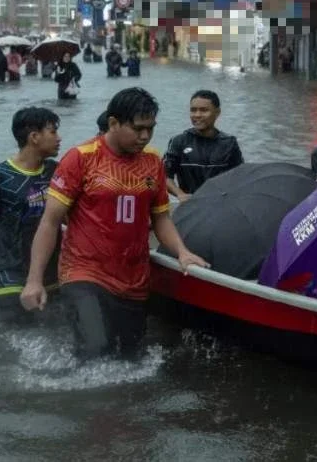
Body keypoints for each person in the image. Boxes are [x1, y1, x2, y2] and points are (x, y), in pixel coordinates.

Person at [20, 88, 209, 360]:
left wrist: (182, 252)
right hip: (84, 273)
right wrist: (34, 280)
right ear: (113, 123)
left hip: (133, 280)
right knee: (95, 349)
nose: (144, 136)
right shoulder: (80, 158)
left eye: (151, 129)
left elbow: (161, 218)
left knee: (131, 359)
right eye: (138, 129)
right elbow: (49, 223)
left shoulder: (153, 162)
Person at [0, 107, 63, 323]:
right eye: (53, 132)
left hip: (51, 275)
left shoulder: (57, 172)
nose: (59, 138)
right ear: (34, 137)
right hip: (9, 277)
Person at [164, 90, 244, 201]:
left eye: (204, 110)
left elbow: (240, 176)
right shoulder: (179, 141)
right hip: (190, 204)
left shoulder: (229, 143)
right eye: (193, 110)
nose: (197, 115)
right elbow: (165, 176)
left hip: (220, 203)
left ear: (217, 112)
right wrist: (180, 194)